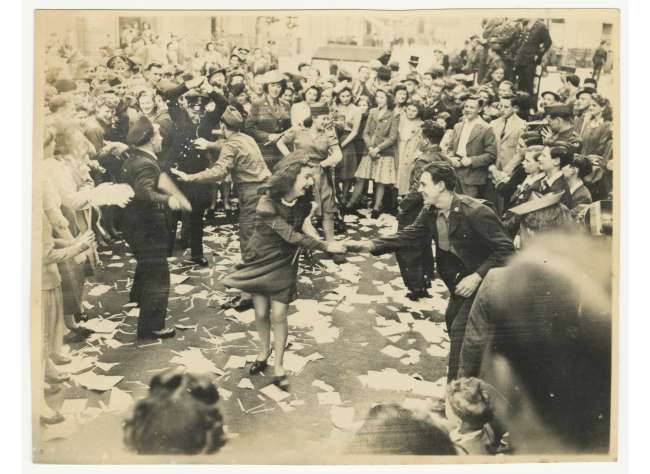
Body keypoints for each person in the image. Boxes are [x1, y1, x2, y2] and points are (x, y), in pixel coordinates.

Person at [349, 162, 514, 380]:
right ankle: (471, 384)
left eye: (424, 184)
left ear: (441, 186)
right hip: (459, 284)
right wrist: (370, 245)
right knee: (454, 324)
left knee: (460, 332)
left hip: (482, 284)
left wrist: (477, 277)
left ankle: (456, 395)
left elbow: (506, 249)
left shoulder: (475, 212)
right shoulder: (430, 211)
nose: (419, 189)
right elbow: (410, 234)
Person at [457, 232, 611, 454]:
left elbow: (474, 342)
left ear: (527, 236)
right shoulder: (604, 290)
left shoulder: (498, 282)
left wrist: (465, 392)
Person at [221, 153, 346, 390]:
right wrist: (325, 246)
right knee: (260, 313)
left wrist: (326, 244)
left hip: (285, 263)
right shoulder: (266, 204)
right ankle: (263, 352)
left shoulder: (305, 202)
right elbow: (289, 234)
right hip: (260, 259)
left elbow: (304, 226)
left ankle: (278, 365)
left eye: (312, 177)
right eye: (307, 176)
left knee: (278, 315)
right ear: (289, 177)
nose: (311, 182)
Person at [173, 106, 271, 312]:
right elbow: (226, 144)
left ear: (223, 126)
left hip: (251, 194)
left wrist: (190, 177)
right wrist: (210, 144)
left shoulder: (231, 145)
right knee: (260, 240)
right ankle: (260, 287)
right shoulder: (246, 138)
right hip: (264, 190)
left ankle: (249, 295)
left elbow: (218, 172)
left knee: (248, 243)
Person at [120, 115, 190, 340]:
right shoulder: (146, 163)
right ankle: (151, 326)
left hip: (135, 225)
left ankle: (138, 297)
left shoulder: (135, 158)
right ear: (150, 140)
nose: (161, 138)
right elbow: (145, 192)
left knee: (147, 267)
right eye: (158, 134)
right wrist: (167, 200)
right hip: (147, 226)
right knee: (157, 275)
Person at [277, 104, 344, 262]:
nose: (326, 121)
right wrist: (292, 158)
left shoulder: (329, 133)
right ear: (314, 118)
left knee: (328, 210)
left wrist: (324, 163)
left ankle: (330, 245)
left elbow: (338, 155)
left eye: (328, 118)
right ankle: (304, 246)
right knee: (302, 211)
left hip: (320, 175)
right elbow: (280, 142)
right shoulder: (299, 130)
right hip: (300, 175)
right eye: (323, 118)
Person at [394, 121, 447, 300]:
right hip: (433, 208)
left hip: (417, 208)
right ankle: (424, 281)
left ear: (425, 140)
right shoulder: (444, 157)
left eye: (419, 136)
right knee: (424, 245)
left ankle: (415, 286)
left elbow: (417, 189)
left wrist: (403, 206)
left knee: (406, 246)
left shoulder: (424, 160)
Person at [123, 369, 226, 454]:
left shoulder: (143, 406)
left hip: (152, 455)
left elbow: (129, 439)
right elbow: (217, 442)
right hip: (189, 455)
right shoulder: (205, 410)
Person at [345, 87, 399, 219]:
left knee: (380, 180)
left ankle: (376, 207)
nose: (379, 100)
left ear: (388, 99)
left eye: (382, 97)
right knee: (361, 178)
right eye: (377, 97)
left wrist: (378, 149)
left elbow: (392, 137)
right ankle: (350, 204)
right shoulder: (373, 112)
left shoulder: (393, 114)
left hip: (383, 152)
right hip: (369, 151)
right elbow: (365, 133)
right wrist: (370, 148)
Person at [446, 96, 498, 200]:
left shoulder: (486, 128)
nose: (468, 110)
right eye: (466, 106)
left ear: (479, 110)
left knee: (468, 207)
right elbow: (450, 147)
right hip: (455, 172)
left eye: (471, 107)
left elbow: (491, 155)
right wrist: (451, 158)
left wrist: (471, 160)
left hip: (473, 177)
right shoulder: (458, 126)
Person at [246, 70, 292, 170]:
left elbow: (289, 128)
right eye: (272, 85)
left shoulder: (286, 105)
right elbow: (248, 128)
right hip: (264, 150)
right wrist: (267, 136)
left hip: (281, 150)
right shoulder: (257, 104)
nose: (275, 89)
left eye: (278, 86)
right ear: (267, 86)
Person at [332, 86, 363, 202]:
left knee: (347, 170)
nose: (345, 99)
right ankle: (335, 195)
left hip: (347, 139)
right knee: (334, 169)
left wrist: (342, 144)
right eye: (342, 96)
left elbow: (355, 131)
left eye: (347, 96)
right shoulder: (335, 108)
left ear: (351, 96)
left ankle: (344, 197)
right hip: (334, 138)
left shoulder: (356, 109)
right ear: (339, 97)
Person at [513, 18, 552, 97]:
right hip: (520, 59)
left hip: (530, 59)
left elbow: (548, 42)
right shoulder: (525, 24)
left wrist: (538, 54)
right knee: (520, 82)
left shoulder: (541, 26)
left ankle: (528, 103)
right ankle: (520, 102)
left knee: (528, 83)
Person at [491, 95, 526, 173]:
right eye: (501, 106)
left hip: (510, 168)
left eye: (506, 107)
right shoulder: (493, 123)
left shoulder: (521, 125)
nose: (502, 109)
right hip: (493, 167)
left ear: (514, 108)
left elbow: (520, 152)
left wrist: (510, 167)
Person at [396, 101, 424, 196]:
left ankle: (403, 195)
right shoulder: (400, 120)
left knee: (406, 173)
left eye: (414, 111)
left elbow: (420, 142)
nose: (411, 112)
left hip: (411, 150)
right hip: (399, 148)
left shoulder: (420, 125)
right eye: (409, 109)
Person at [537, 143, 573, 207]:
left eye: (544, 156)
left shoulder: (558, 192)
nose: (539, 158)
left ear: (556, 161)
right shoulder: (546, 182)